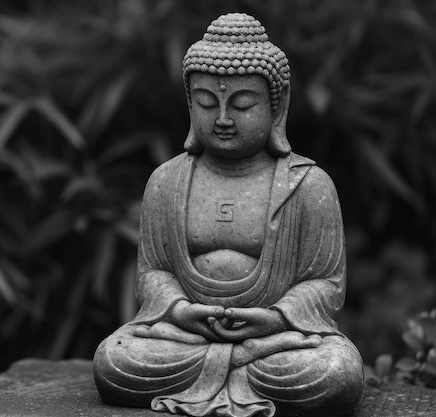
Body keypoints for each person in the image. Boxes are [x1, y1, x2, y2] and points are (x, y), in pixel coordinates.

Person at [93, 13, 364, 417]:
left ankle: (234, 365)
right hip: (186, 335)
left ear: (277, 105)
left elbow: (326, 283)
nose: (221, 118)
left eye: (241, 104)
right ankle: (234, 368)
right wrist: (183, 312)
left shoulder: (308, 185)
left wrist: (274, 319)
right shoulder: (166, 181)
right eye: (206, 102)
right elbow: (153, 273)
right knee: (114, 359)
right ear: (190, 104)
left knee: (334, 372)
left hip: (278, 339)